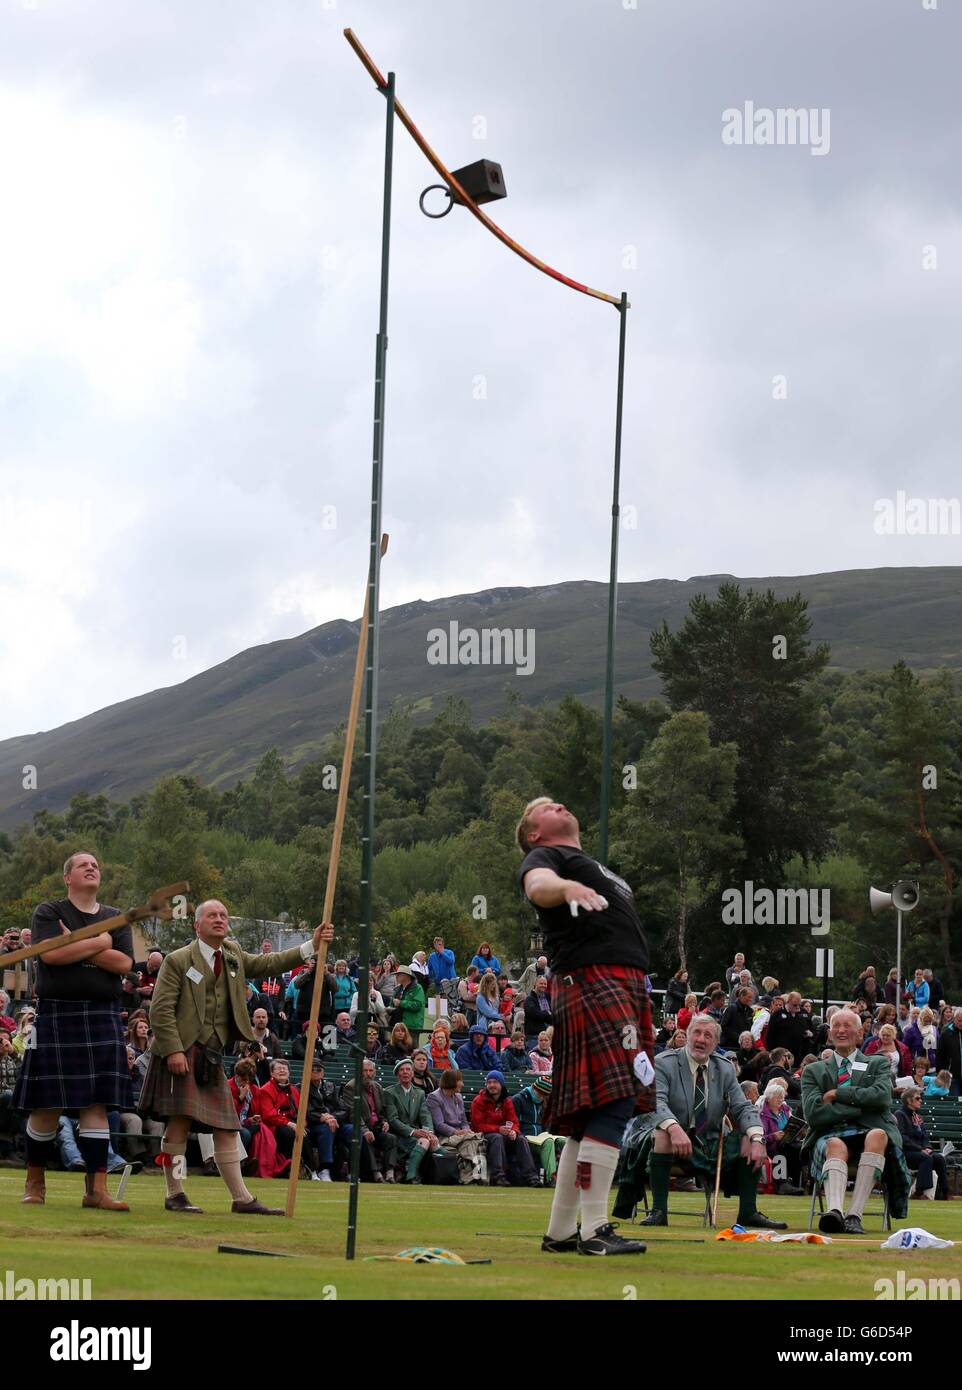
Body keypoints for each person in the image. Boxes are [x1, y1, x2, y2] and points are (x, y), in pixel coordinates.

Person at [517, 796, 652, 1257]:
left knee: (591, 1115)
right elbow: (537, 886)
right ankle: (595, 1229)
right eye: (546, 807)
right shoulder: (546, 858)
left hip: (622, 985)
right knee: (615, 1099)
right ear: (535, 833)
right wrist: (566, 890)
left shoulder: (590, 863)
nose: (559, 804)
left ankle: (559, 1233)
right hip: (595, 982)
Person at [140, 898, 333, 1215]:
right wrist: (174, 1049)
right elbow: (160, 1010)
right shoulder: (177, 960)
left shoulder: (232, 956)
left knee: (228, 1126)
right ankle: (174, 1192)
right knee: (177, 1127)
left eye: (223, 915)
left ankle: (242, 1199)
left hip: (212, 1055)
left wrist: (311, 945)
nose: (219, 919)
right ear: (197, 924)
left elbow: (271, 963)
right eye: (212, 915)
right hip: (182, 1051)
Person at [15, 851, 138, 1212]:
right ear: (68, 877)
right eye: (83, 864)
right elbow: (50, 956)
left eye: (96, 864)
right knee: (46, 1104)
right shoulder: (48, 912)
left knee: (96, 1105)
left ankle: (96, 1190)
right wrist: (101, 942)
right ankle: (34, 1182)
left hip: (102, 1014)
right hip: (57, 1013)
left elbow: (125, 964)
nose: (91, 867)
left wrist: (77, 943)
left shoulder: (115, 917)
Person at [636, 1013, 784, 1230]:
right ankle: (659, 1211)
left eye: (708, 1035)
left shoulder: (724, 1068)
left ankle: (748, 1213)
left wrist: (757, 1137)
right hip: (674, 1137)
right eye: (696, 1032)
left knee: (748, 1140)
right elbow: (655, 1102)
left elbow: (742, 1107)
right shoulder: (664, 1063)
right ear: (687, 1035)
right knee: (662, 1133)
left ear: (715, 1043)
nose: (701, 1039)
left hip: (712, 1141)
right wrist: (674, 1127)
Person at [800, 1008, 909, 1234]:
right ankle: (835, 1213)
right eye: (836, 1026)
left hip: (872, 1134)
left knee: (878, 1135)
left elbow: (881, 1096)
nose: (841, 1030)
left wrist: (838, 1095)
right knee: (835, 1144)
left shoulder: (877, 1063)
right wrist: (860, 1107)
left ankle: (853, 1216)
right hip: (830, 1136)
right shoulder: (813, 1071)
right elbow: (814, 1114)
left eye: (847, 1025)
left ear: (860, 1033)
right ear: (829, 1033)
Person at [470, 1070, 538, 1186]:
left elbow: (514, 1121)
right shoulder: (478, 1101)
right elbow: (477, 1126)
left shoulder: (507, 1101)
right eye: (489, 1082)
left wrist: (514, 1132)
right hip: (485, 1137)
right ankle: (498, 1176)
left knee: (521, 1139)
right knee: (497, 1137)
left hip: (503, 1136)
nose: (491, 1085)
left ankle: (531, 1177)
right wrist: (498, 1129)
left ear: (501, 1084)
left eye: (495, 1082)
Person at [341, 1057, 398, 1182]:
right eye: (365, 1070)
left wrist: (384, 1122)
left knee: (391, 1139)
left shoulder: (377, 1087)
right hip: (361, 1127)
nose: (368, 1074)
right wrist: (365, 1129)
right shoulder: (351, 1087)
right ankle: (376, 1173)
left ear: (374, 1072)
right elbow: (353, 1113)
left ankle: (390, 1173)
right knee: (365, 1138)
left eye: (371, 1071)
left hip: (376, 1127)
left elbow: (381, 1111)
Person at [382, 1058, 438, 1183]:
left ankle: (411, 1172)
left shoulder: (420, 1093)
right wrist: (413, 1132)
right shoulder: (389, 1093)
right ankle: (411, 1175)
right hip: (399, 1135)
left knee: (436, 1145)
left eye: (408, 1070)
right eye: (402, 1070)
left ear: (413, 1073)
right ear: (397, 1075)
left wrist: (430, 1132)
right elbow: (393, 1119)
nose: (405, 1072)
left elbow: (425, 1116)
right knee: (424, 1141)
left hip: (416, 1135)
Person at [896, 1088, 950, 1200]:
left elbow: (924, 1136)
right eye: (917, 1098)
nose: (920, 1100)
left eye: (920, 1098)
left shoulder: (917, 1117)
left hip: (919, 1151)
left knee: (939, 1158)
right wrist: (920, 1149)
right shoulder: (900, 1114)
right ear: (909, 1101)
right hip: (906, 1152)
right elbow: (902, 1138)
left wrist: (927, 1148)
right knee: (926, 1158)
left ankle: (945, 1193)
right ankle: (918, 1192)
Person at [301, 1058, 346, 1180]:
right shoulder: (302, 1087)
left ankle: (355, 1172)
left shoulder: (330, 1086)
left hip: (333, 1122)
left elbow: (342, 1109)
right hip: (313, 1125)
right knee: (327, 1129)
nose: (315, 1071)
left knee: (352, 1130)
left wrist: (332, 1117)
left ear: (323, 1072)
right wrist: (322, 1117)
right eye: (312, 1069)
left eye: (318, 1069)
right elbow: (305, 1110)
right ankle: (324, 1169)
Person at [512, 1075, 561, 1183]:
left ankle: (561, 1177)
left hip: (540, 1138)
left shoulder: (544, 1102)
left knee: (560, 1141)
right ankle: (551, 1178)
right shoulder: (518, 1099)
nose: (541, 1097)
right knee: (547, 1143)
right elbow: (513, 1123)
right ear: (534, 1088)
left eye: (544, 1095)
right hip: (525, 1138)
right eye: (540, 1094)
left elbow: (546, 1124)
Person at [759, 1081, 803, 1193]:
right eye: (777, 1097)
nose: (780, 1100)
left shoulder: (785, 1110)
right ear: (768, 1099)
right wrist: (773, 1136)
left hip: (786, 1143)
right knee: (778, 1155)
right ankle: (783, 1185)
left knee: (799, 1150)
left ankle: (796, 1183)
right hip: (769, 1146)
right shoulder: (762, 1114)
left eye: (782, 1097)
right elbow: (761, 1137)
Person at [390, 966, 426, 1042]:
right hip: (396, 1026)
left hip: (411, 1027)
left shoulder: (417, 988)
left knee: (412, 1050)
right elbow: (392, 1003)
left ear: (406, 976)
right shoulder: (397, 989)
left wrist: (401, 1003)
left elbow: (418, 1005)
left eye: (398, 974)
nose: (396, 977)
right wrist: (389, 1009)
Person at [936, 1009, 962, 1096]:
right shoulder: (946, 1034)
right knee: (954, 1103)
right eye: (959, 1020)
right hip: (952, 1077)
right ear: (954, 1019)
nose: (961, 1023)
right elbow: (940, 1055)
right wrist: (941, 1073)